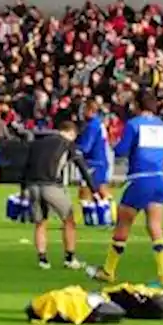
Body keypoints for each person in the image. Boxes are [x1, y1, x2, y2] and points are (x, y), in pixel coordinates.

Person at [87, 89, 163, 291]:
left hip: (139, 179)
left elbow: (121, 150)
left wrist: (112, 139)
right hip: (160, 179)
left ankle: (108, 270)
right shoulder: (161, 125)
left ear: (137, 105)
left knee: (123, 225)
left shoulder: (134, 124)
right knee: (155, 226)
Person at [21, 113, 100, 270]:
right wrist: (94, 191)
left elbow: (25, 167)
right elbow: (82, 167)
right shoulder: (67, 143)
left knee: (40, 223)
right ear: (72, 133)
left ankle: (43, 260)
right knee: (69, 220)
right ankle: (70, 259)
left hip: (32, 186)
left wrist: (23, 190)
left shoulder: (37, 143)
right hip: (51, 186)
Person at [74, 98, 112, 217]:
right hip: (101, 161)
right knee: (100, 189)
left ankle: (102, 216)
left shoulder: (92, 126)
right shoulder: (98, 123)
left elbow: (86, 147)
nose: (82, 113)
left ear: (90, 110)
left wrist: (72, 145)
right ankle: (106, 215)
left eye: (84, 109)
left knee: (87, 191)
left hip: (93, 162)